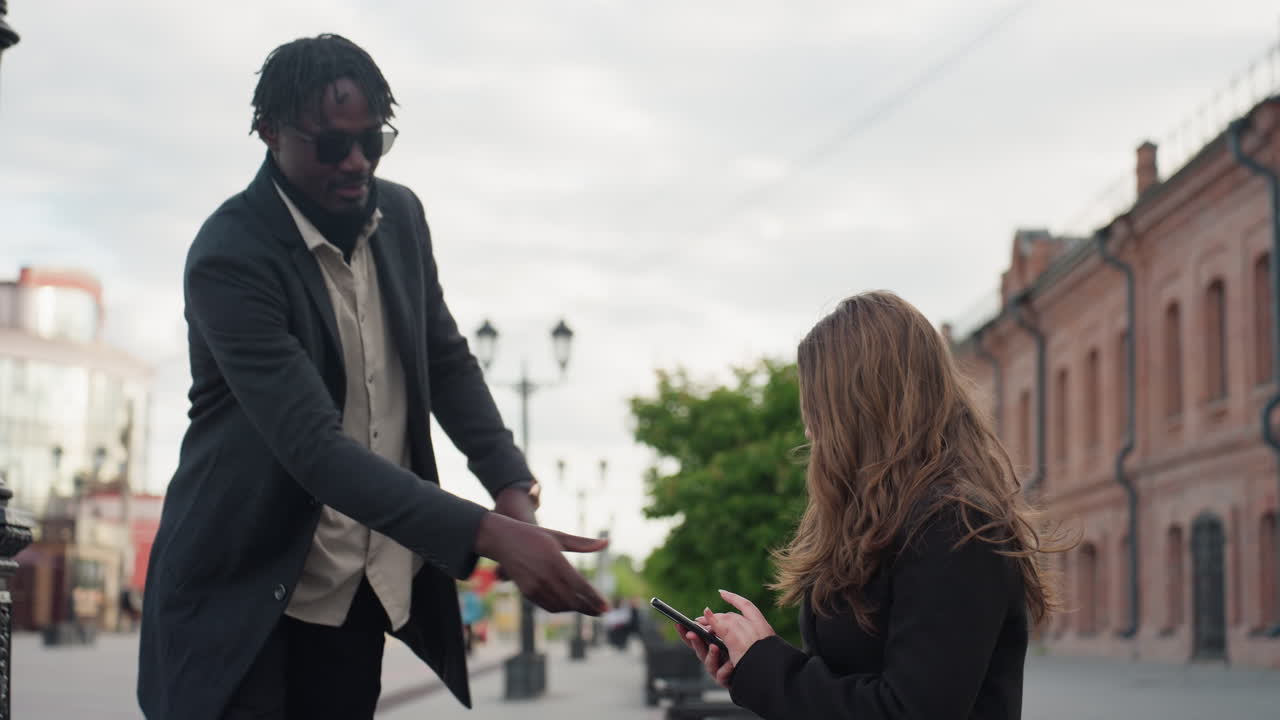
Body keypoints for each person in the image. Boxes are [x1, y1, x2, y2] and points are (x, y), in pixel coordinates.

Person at [137, 34, 608, 720]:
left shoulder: (402, 218)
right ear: (269, 133)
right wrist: (489, 535)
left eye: (373, 141)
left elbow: (445, 361)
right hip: (241, 595)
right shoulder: (230, 256)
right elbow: (314, 450)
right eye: (331, 145)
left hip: (357, 592)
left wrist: (511, 487)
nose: (356, 163)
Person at [677, 291, 1067, 720]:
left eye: (818, 408)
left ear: (859, 407)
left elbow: (908, 710)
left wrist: (769, 667)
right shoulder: (884, 520)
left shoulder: (955, 527)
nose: (810, 428)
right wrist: (752, 666)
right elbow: (855, 681)